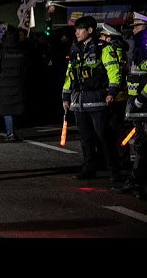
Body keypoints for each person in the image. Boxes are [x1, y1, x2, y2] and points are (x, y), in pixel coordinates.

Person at [62, 15, 122, 182]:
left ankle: (114, 172)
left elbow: (113, 70)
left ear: (90, 30)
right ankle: (89, 167)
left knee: (104, 137)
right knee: (86, 138)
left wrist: (112, 91)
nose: (76, 33)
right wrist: (65, 96)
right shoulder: (75, 49)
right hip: (79, 101)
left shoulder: (104, 48)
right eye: (76, 29)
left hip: (97, 99)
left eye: (80, 29)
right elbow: (70, 75)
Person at [113, 11, 147, 200]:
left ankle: (137, 183)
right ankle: (136, 182)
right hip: (138, 108)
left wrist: (140, 99)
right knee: (142, 146)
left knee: (143, 146)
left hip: (143, 105)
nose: (134, 30)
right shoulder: (138, 48)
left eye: (137, 26)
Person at [98, 22, 131, 171]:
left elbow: (113, 73)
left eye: (103, 36)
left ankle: (118, 161)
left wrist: (110, 92)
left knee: (113, 132)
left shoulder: (111, 50)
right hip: (121, 96)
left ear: (109, 38)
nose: (100, 39)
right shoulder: (121, 49)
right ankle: (121, 159)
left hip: (114, 97)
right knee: (119, 131)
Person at [0, 26, 27, 141]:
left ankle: (10, 133)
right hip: (18, 85)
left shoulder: (0, 54)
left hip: (4, 85)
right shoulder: (22, 54)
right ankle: (14, 132)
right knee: (15, 109)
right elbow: (26, 70)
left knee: (7, 110)